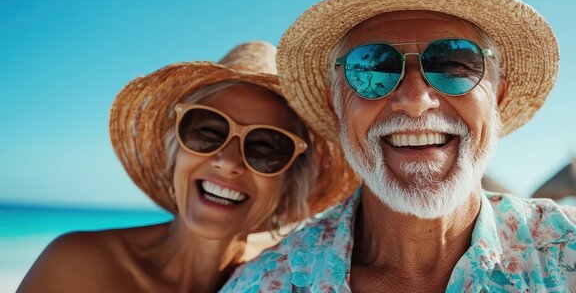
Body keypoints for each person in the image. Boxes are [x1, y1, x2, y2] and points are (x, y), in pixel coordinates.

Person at [224, 0, 576, 292]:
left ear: (495, 97)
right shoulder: (263, 283)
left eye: (454, 64)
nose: (414, 99)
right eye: (373, 68)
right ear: (337, 106)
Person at [18, 42, 358, 292]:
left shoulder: (292, 276)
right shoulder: (75, 267)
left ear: (289, 181)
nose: (227, 161)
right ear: (176, 151)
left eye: (265, 147)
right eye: (207, 131)